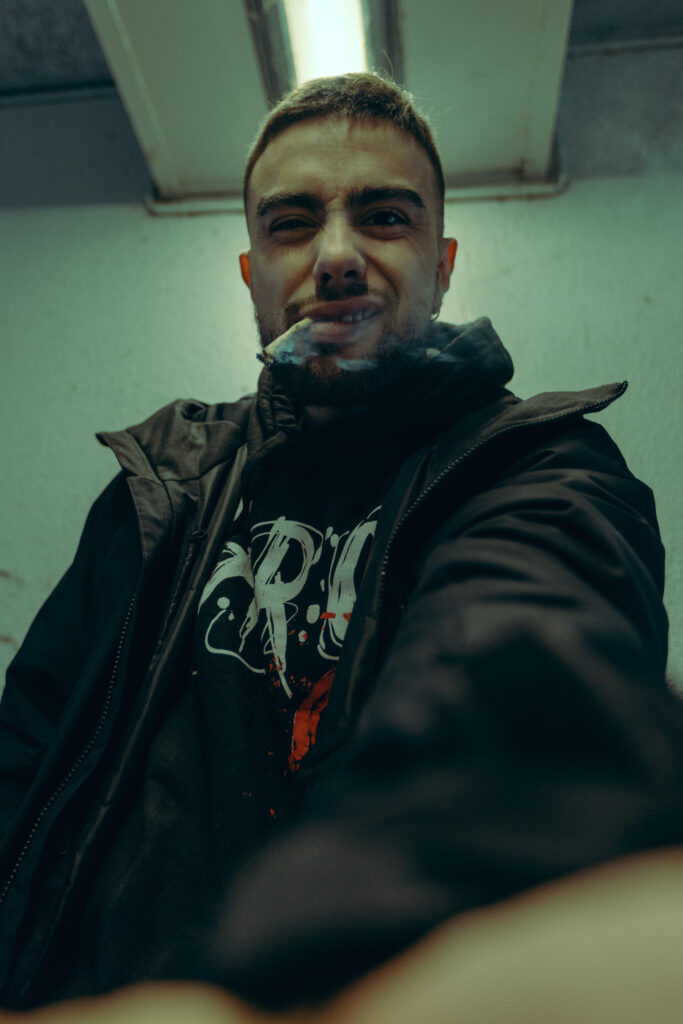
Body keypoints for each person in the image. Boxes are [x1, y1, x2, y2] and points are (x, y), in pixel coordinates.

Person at [1, 71, 682, 1018]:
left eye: (383, 217)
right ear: (252, 273)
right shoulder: (157, 488)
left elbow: (515, 680)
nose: (335, 256)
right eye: (291, 224)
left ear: (442, 263)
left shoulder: (538, 466)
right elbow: (21, 767)